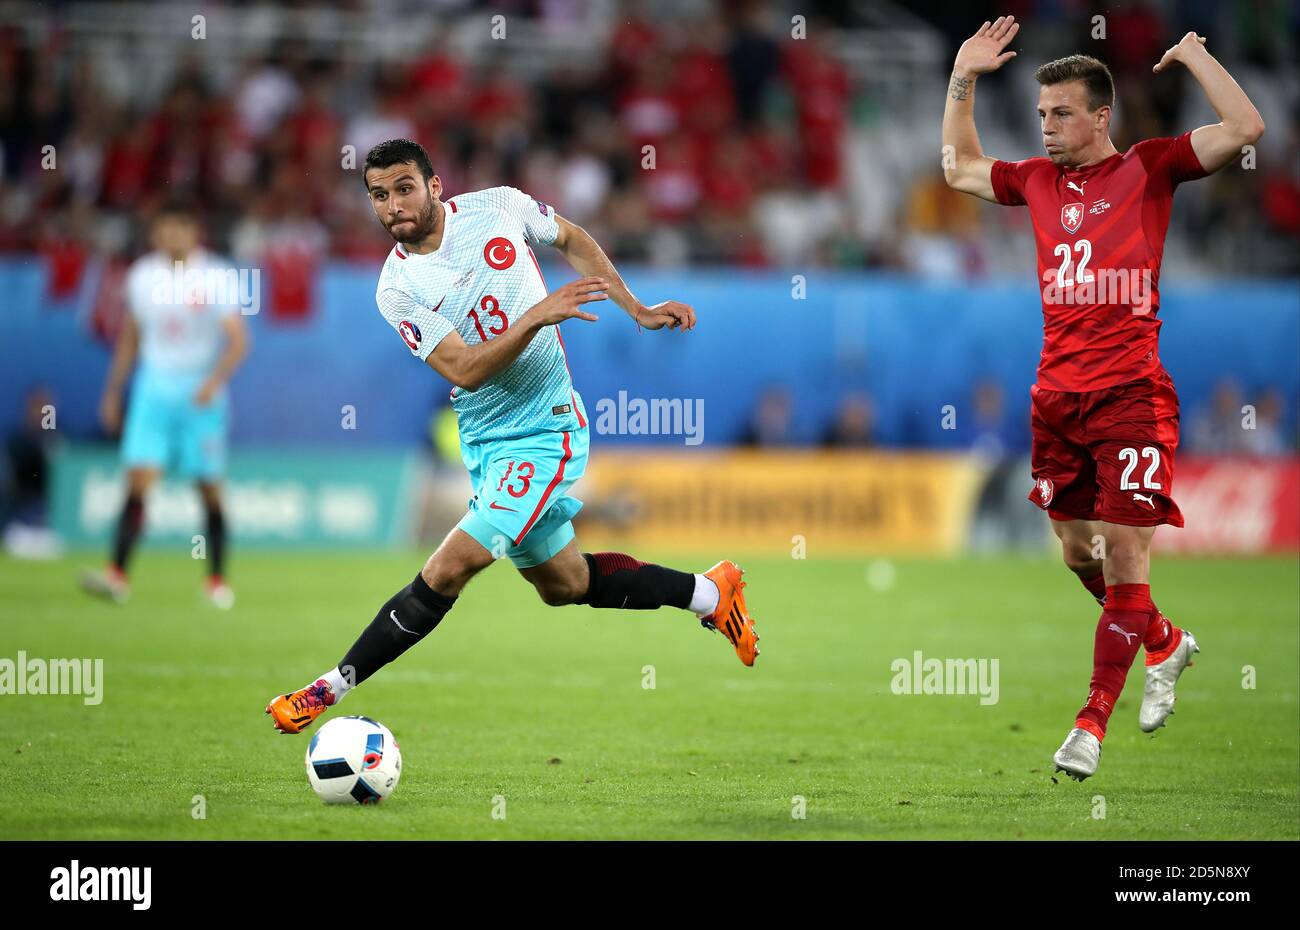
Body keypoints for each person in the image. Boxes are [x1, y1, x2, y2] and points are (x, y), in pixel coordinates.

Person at [266, 139, 760, 735]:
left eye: (404, 188)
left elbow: (574, 240)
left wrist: (638, 309)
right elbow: (464, 369)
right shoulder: (396, 289)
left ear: (434, 185)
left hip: (545, 429)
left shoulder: (498, 207)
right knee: (565, 584)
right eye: (378, 195)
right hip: (487, 440)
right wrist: (535, 316)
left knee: (450, 568)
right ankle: (711, 594)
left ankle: (327, 688)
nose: (393, 205)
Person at [941, 17, 1264, 778]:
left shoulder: (1152, 168)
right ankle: (1163, 642)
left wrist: (1195, 56)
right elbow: (957, 167)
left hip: (1131, 396)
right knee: (1076, 550)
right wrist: (963, 74)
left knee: (1125, 553)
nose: (1046, 127)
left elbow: (1246, 126)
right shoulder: (1036, 182)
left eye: (1061, 114)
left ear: (1099, 116)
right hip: (1055, 398)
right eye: (1041, 114)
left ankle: (1090, 724)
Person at [80, 200, 250, 608]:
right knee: (138, 479)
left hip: (199, 391)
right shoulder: (141, 276)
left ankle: (216, 580)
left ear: (194, 232)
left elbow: (239, 340)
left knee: (208, 487)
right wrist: (113, 391)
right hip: (153, 387)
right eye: (165, 228)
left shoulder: (217, 276)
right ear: (156, 233)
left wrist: (213, 382)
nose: (172, 235)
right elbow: (130, 337)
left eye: (181, 227)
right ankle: (117, 574)